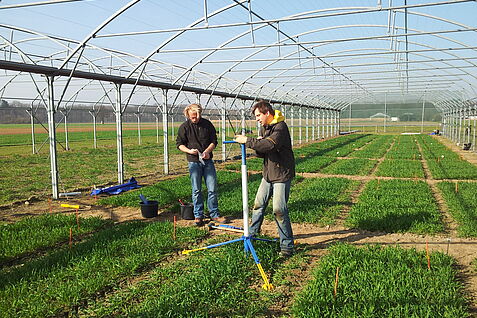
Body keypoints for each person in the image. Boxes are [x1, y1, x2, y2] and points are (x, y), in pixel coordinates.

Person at [234, 100, 295, 257]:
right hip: (268, 173)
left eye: (258, 115)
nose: (257, 119)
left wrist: (248, 141)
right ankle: (253, 233)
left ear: (267, 113)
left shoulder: (280, 127)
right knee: (258, 204)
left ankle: (287, 246)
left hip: (281, 174)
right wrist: (257, 145)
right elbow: (263, 150)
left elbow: (270, 145)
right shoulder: (266, 127)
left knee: (279, 210)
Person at [176, 104, 225, 226]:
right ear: (188, 115)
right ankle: (198, 214)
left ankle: (214, 213)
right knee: (196, 190)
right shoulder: (184, 127)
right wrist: (189, 151)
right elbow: (179, 144)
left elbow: (214, 141)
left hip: (207, 161)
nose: (196, 118)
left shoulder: (207, 125)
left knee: (212, 188)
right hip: (193, 162)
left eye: (198, 116)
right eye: (193, 117)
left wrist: (207, 151)